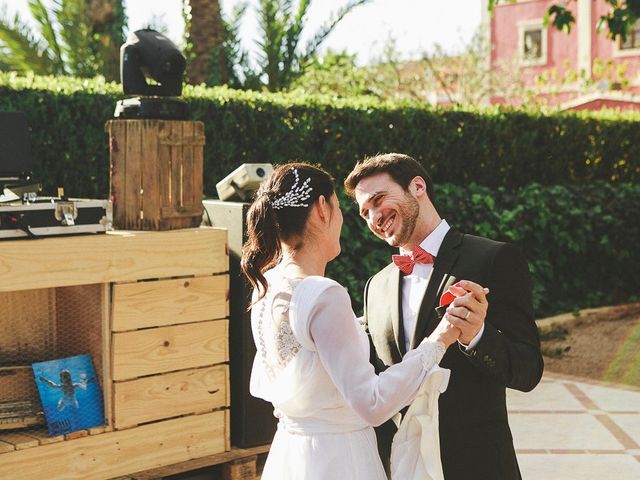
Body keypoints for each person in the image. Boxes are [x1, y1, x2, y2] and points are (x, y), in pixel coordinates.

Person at [241, 163, 459, 480]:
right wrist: (439, 339)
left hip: (292, 455)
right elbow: (371, 403)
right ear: (321, 209)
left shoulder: (267, 287)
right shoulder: (323, 294)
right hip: (339, 460)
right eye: (342, 207)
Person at [344, 153, 544, 480]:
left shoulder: (493, 258)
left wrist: (477, 335)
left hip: (475, 464)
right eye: (365, 212)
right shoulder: (375, 286)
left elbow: (528, 370)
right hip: (399, 466)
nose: (374, 217)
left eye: (379, 199)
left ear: (418, 186)